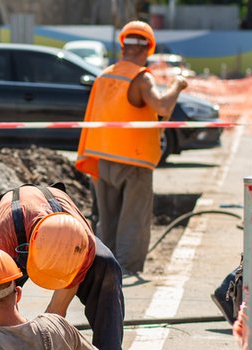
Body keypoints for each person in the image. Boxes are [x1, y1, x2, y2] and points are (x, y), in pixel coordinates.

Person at [0, 183, 131, 350]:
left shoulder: (81, 242)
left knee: (107, 267)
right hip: (16, 232)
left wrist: (43, 348)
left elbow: (56, 312)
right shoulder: (0, 240)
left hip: (64, 233)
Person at [76, 20, 188, 276]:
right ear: (148, 48)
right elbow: (161, 107)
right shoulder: (140, 78)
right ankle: (126, 271)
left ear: (123, 45)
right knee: (133, 222)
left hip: (102, 158)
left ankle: (103, 268)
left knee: (108, 220)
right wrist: (178, 85)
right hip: (134, 161)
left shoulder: (104, 76)